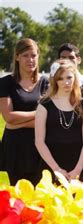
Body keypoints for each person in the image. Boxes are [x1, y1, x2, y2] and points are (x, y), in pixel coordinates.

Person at [0, 38, 49, 184]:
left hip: (40, 145)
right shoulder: (5, 83)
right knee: (18, 196)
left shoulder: (45, 83)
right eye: (25, 55)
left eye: (33, 55)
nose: (30, 60)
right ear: (17, 57)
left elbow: (50, 118)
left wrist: (19, 122)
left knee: (41, 196)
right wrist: (39, 115)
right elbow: (9, 117)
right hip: (15, 147)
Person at [35, 60, 83, 180]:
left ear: (75, 78)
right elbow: (39, 142)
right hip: (51, 164)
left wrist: (78, 169)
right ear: (55, 80)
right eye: (60, 78)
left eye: (69, 77)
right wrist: (56, 169)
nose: (66, 82)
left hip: (78, 164)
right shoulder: (44, 105)